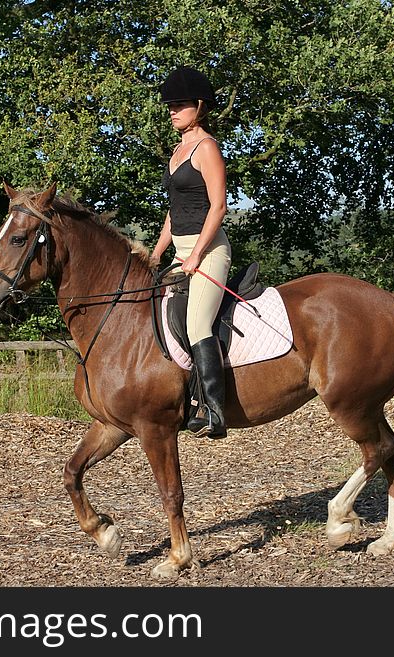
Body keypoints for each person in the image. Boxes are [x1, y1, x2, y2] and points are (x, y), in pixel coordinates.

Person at [150, 66, 232, 439]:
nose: (172, 110)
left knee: (199, 324)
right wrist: (155, 255)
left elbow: (218, 207)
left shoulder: (207, 148)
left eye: (179, 104)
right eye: (169, 104)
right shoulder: (177, 151)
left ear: (199, 107)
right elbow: (174, 212)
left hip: (209, 250)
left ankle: (215, 410)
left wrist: (198, 254)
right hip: (182, 250)